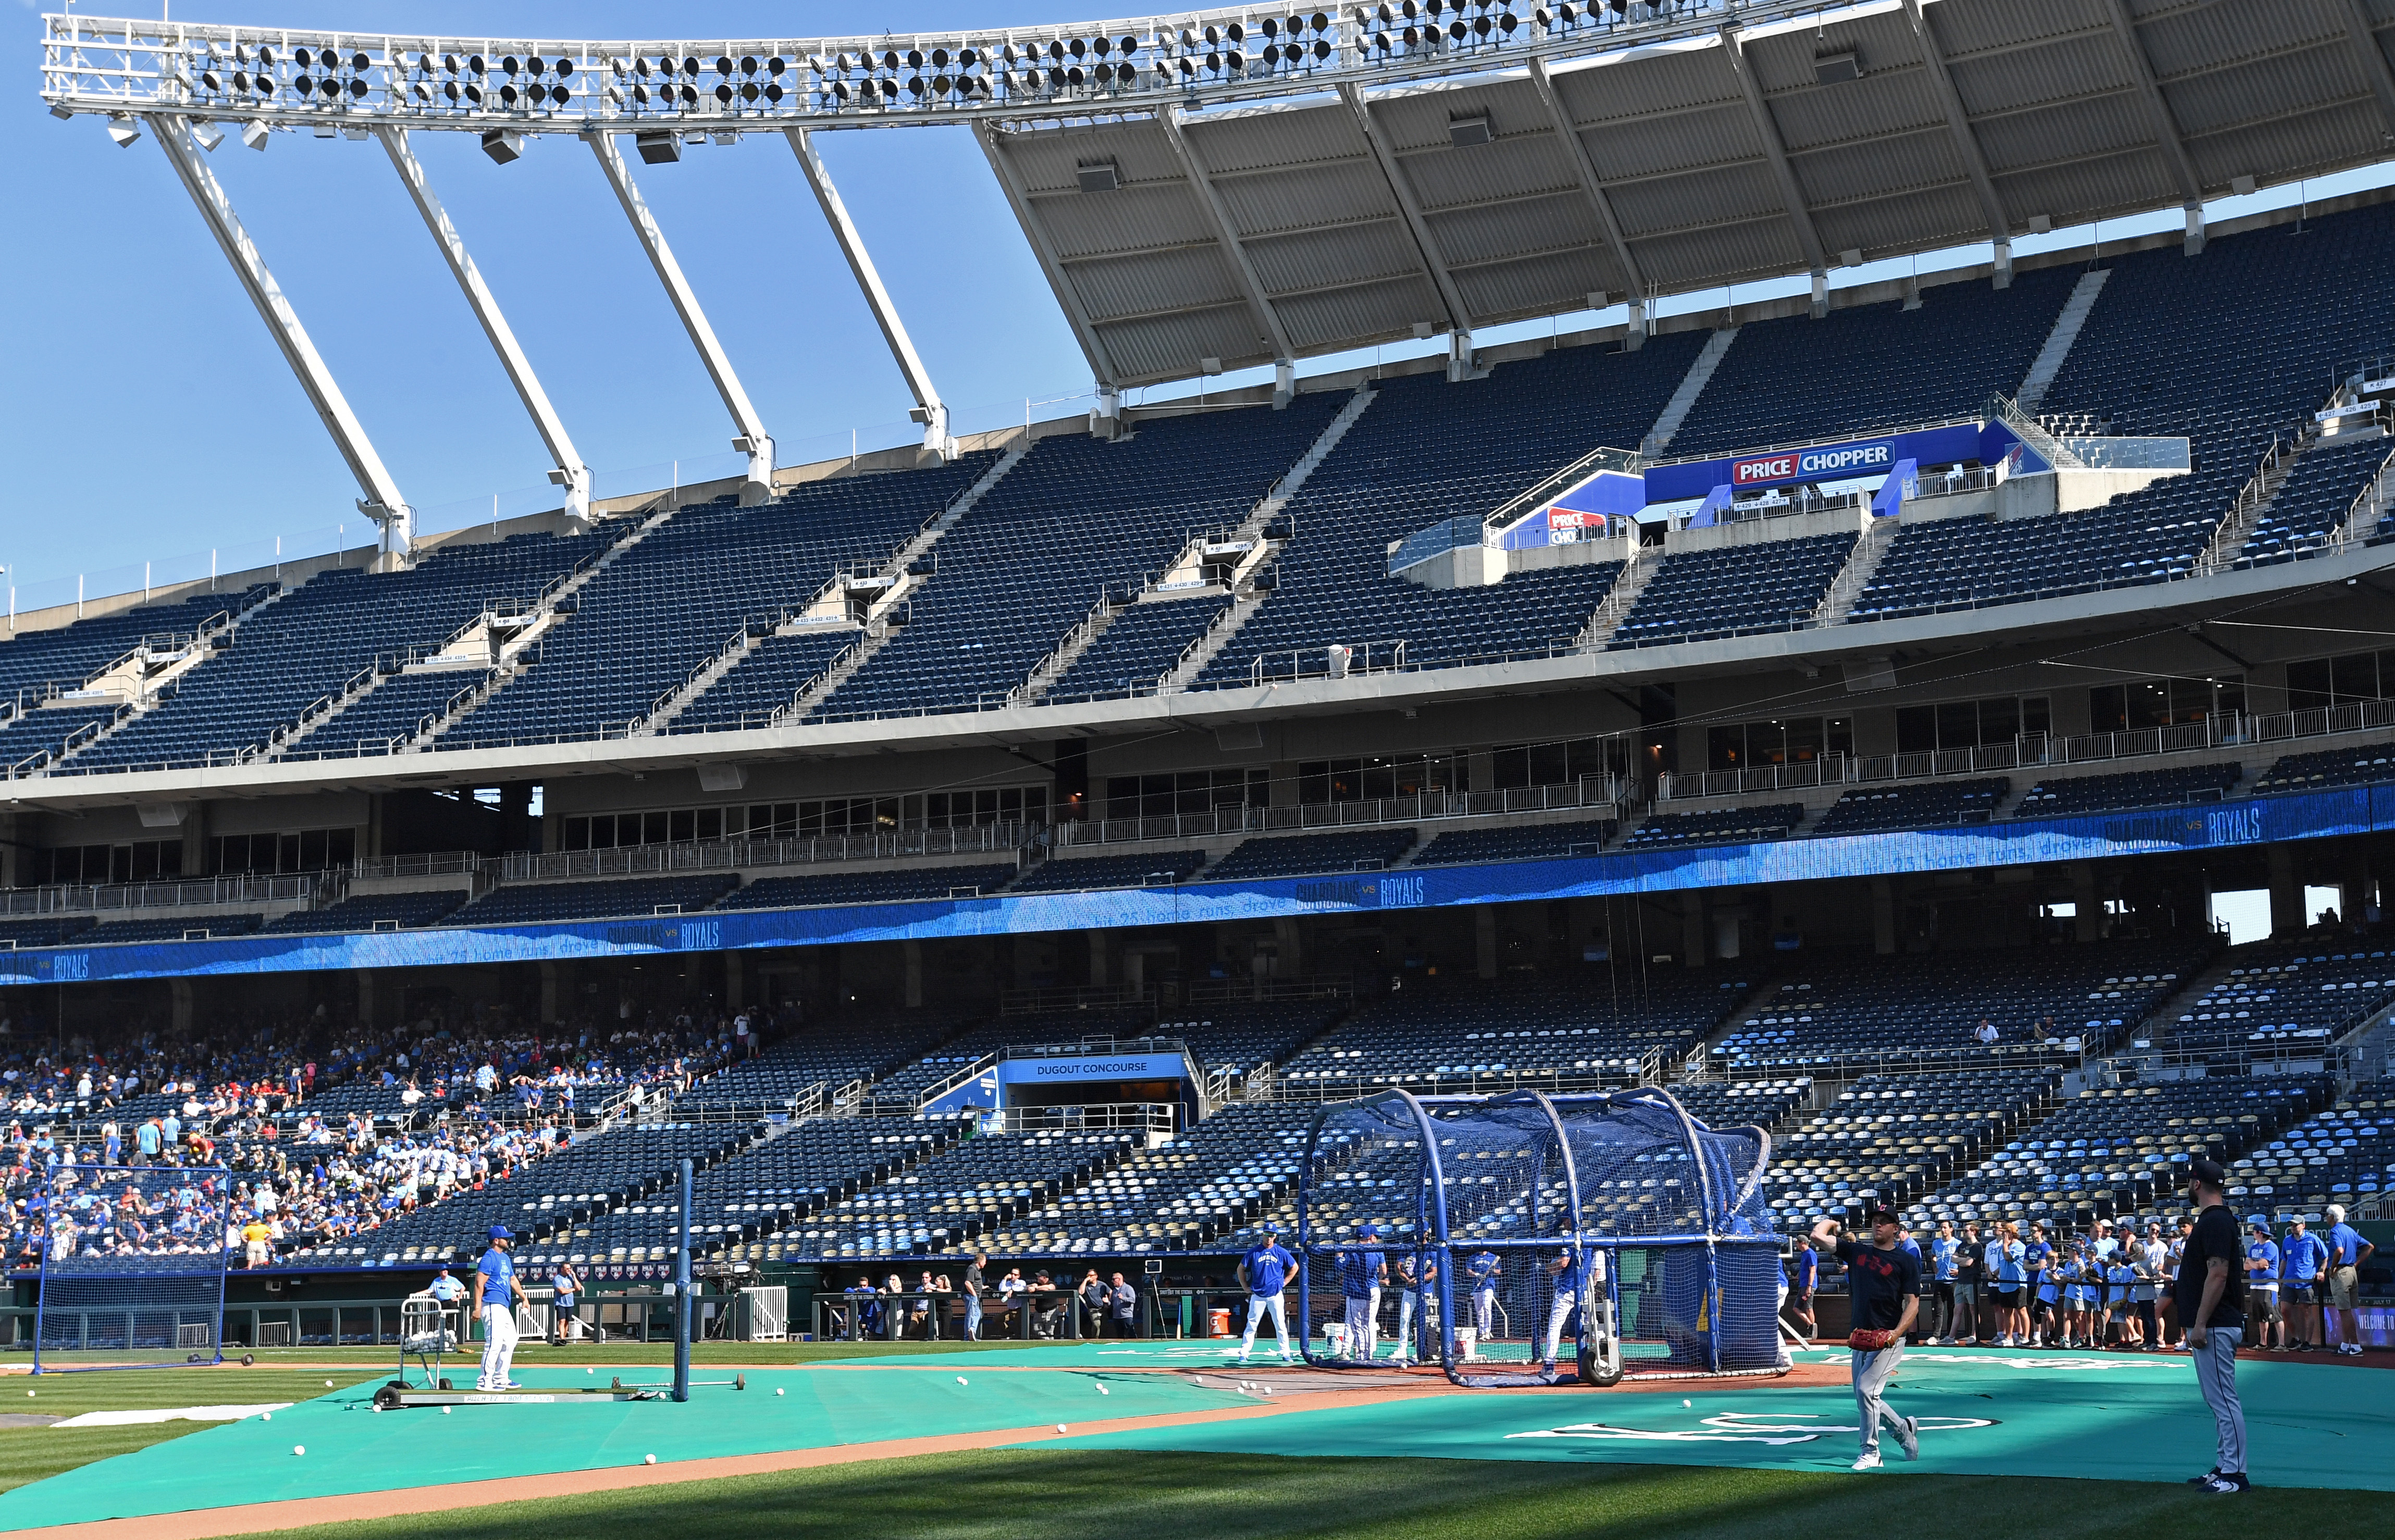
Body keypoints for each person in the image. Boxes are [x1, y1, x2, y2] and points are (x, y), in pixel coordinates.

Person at [1812, 1207, 1920, 1472]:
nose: (1878, 1226)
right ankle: (1904, 1430)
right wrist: (1831, 1222)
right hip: (1860, 1337)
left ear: (1896, 1228)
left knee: (1865, 1391)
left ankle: (1871, 1452)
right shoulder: (1857, 1251)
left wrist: (1896, 1334)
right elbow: (1816, 1237)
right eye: (1875, 1222)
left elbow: (1913, 1304)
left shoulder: (1905, 1261)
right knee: (1866, 1396)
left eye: (1884, 1222)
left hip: (1887, 1340)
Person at [2178, 1159, 2249, 1493]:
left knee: (2223, 1400)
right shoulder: (2215, 1220)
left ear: (2196, 1184)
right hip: (2214, 1324)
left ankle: (2235, 1474)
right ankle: (2224, 1466)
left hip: (2216, 1324)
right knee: (2217, 1399)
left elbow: (2218, 1274)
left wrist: (2201, 1323)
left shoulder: (2216, 1221)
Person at [475, 1224, 529, 1393]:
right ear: (496, 1240)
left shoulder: (505, 1258)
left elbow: (513, 1280)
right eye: (505, 1238)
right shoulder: (489, 1257)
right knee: (494, 1343)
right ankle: (484, 1381)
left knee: (511, 1339)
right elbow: (479, 1283)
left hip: (503, 1306)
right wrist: (477, 1307)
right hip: (492, 1303)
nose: (508, 1241)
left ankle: (501, 1378)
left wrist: (524, 1297)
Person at [1236, 1225, 1297, 1364]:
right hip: (1258, 1294)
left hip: (1275, 1294)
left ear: (1275, 1236)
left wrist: (1284, 1282)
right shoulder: (1254, 1252)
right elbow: (1241, 1268)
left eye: (1271, 1235)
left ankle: (1286, 1353)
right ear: (1262, 1235)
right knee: (1252, 1325)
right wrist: (1245, 1287)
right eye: (1266, 1234)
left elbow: (1294, 1267)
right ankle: (1244, 1354)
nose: (1269, 1238)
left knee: (1280, 1324)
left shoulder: (1280, 1252)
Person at [2322, 1204, 2375, 1357]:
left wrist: (2333, 1267)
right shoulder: (2350, 1230)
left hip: (2342, 1273)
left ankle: (2356, 1346)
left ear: (2332, 1217)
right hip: (2352, 1272)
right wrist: (2356, 1264)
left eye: (2327, 1215)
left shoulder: (2335, 1231)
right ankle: (2345, 1345)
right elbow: (2370, 1246)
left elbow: (2339, 1250)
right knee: (2347, 1311)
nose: (2326, 1218)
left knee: (2344, 1312)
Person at [2279, 1214, 2327, 1351]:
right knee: (2285, 1310)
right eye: (2291, 1225)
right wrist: (2279, 1278)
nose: (2293, 1227)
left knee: (2306, 1311)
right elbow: (2284, 1260)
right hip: (2289, 1281)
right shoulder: (2287, 1241)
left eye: (2296, 1225)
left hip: (2306, 1282)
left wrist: (2321, 1271)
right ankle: (2296, 1338)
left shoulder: (2313, 1239)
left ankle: (2308, 1342)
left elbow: (2325, 1257)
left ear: (2303, 1225)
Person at [1341, 1227, 1387, 1361]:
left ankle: (1361, 1354)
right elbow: (1384, 1271)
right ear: (1370, 1237)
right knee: (1369, 1323)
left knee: (1356, 1324)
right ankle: (1369, 1352)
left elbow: (1340, 1267)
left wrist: (1338, 1257)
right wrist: (1376, 1279)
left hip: (1356, 1292)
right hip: (1373, 1289)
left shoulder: (1351, 1250)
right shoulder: (1377, 1250)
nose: (1376, 1239)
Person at [1537, 1245, 1583, 1377]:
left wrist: (1545, 1268)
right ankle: (1607, 1357)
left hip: (1566, 1290)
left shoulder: (1569, 1240)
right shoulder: (1589, 1241)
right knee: (1592, 1326)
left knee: (1555, 1327)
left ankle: (1549, 1365)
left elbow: (1563, 1263)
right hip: (1584, 1290)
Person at [2242, 1216, 2281, 1352]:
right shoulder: (2254, 1247)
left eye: (2254, 1232)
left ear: (2259, 1233)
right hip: (2255, 1285)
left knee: (2274, 1315)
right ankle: (2263, 1343)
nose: (2253, 1234)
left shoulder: (2271, 1247)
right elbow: (2246, 1266)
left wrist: (2252, 1263)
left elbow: (2260, 1265)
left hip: (2269, 1285)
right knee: (2260, 1317)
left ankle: (2281, 1344)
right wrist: (2254, 1264)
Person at [1392, 1250, 1437, 1365]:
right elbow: (1398, 1267)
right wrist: (1407, 1279)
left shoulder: (1431, 1252)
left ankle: (1424, 1350)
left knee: (1426, 1322)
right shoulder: (1408, 1249)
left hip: (1425, 1292)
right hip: (1409, 1291)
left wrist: (1419, 1279)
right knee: (1404, 1319)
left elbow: (1433, 1273)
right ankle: (1402, 1350)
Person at [1951, 1222, 1982, 1344]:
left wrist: (1962, 1261)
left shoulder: (1977, 1246)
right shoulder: (1962, 1245)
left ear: (1973, 1232)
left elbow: (1968, 1263)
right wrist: (1963, 1261)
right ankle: (1951, 1337)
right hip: (1961, 1282)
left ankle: (1975, 1335)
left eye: (1966, 1231)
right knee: (1957, 1310)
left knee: (1973, 1310)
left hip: (1972, 1282)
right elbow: (1953, 1258)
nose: (1964, 1233)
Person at [1928, 1221, 1958, 1343]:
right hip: (1940, 1280)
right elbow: (1933, 1256)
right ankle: (1936, 1336)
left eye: (1945, 1228)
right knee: (1938, 1310)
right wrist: (1935, 1267)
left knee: (1953, 1309)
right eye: (1941, 1228)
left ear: (1951, 1229)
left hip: (1953, 1281)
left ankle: (1950, 1335)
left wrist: (1959, 1270)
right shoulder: (1936, 1243)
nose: (1943, 1230)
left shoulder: (1958, 1244)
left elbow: (1964, 1259)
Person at [1786, 1233, 1819, 1342]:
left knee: (1809, 1308)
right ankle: (1811, 1325)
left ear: (1803, 1243)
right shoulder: (1804, 1254)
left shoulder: (1810, 1254)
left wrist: (1809, 1286)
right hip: (1803, 1284)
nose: (1797, 1245)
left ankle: (1812, 1331)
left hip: (1808, 1285)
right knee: (1796, 1308)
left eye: (1798, 1242)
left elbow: (1812, 1270)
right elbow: (1803, 1269)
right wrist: (1797, 1277)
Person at [1466, 1249, 1501, 1344]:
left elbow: (1499, 1271)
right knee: (1480, 1311)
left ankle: (1487, 1331)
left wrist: (1492, 1270)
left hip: (1489, 1285)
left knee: (1487, 1307)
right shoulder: (1473, 1257)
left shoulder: (1492, 1257)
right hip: (1477, 1287)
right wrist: (1477, 1275)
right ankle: (1481, 1332)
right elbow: (1468, 1271)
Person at [550, 1260, 581, 1345]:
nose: (569, 1270)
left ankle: (563, 1340)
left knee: (567, 1321)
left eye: (570, 1269)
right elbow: (562, 1291)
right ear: (562, 1269)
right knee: (562, 1321)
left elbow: (579, 1288)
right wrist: (573, 1289)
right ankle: (562, 1338)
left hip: (570, 1303)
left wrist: (574, 1276)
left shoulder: (570, 1277)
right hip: (561, 1303)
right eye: (567, 1269)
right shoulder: (558, 1279)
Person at [961, 1251, 987, 1342]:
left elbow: (975, 1283)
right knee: (971, 1315)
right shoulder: (972, 1268)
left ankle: (972, 1330)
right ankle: (967, 1337)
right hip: (970, 1296)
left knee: (977, 1314)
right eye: (985, 1261)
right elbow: (967, 1283)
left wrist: (982, 1287)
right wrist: (974, 1295)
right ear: (980, 1262)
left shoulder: (977, 1270)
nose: (985, 1263)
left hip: (974, 1296)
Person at [1106, 1271, 1139, 1337]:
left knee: (1131, 1334)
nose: (1112, 1281)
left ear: (1119, 1279)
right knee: (1120, 1335)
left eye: (1114, 1279)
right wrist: (1107, 1301)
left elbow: (1133, 1300)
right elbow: (1111, 1303)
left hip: (1126, 1316)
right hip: (1116, 1317)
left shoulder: (1128, 1288)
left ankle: (1135, 1347)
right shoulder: (1114, 1291)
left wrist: (1123, 1298)